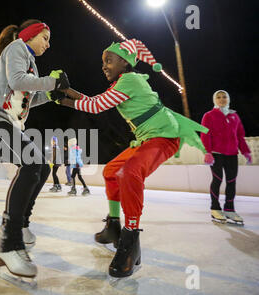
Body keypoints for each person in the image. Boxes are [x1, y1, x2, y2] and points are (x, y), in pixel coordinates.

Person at [53, 39, 208, 278]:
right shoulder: (122, 83)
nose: (104, 66)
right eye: (103, 62)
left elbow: (95, 107)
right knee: (110, 172)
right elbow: (95, 101)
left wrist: (62, 99)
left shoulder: (131, 80)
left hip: (164, 137)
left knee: (129, 173)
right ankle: (114, 226)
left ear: (125, 62)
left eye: (109, 61)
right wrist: (67, 90)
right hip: (147, 139)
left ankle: (131, 239)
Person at [0, 19, 69, 280]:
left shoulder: (29, 59)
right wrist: (50, 82)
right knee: (32, 164)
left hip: (10, 124)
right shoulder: (17, 48)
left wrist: (51, 94)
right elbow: (18, 81)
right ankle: (9, 241)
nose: (48, 45)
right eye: (45, 38)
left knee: (41, 165)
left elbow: (27, 97)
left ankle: (21, 225)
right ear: (29, 35)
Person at [200, 90, 252, 225]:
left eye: (224, 97)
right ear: (214, 100)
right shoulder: (209, 115)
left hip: (232, 154)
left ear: (228, 99)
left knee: (231, 181)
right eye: (218, 97)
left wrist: (246, 151)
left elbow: (240, 136)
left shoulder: (234, 116)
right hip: (216, 154)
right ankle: (215, 208)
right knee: (217, 180)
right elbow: (205, 134)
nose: (221, 99)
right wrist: (207, 152)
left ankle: (229, 209)